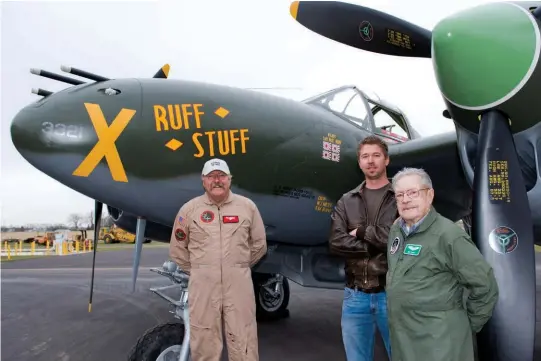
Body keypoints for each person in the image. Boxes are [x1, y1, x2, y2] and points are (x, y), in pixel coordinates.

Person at [386, 167, 499, 361]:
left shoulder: (449, 236)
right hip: (404, 338)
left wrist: (464, 325)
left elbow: (485, 286)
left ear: (429, 195)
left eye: (413, 193)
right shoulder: (397, 230)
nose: (405, 200)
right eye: (400, 195)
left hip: (440, 342)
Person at [169, 158, 268, 361]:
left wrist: (237, 265)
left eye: (222, 176)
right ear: (203, 181)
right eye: (211, 176)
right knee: (204, 343)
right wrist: (201, 269)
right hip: (203, 287)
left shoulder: (247, 208)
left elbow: (259, 245)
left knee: (244, 341)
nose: (217, 181)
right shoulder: (189, 210)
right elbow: (178, 250)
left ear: (230, 179)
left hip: (238, 285)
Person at [329, 135, 397, 361]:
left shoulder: (400, 196)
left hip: (393, 294)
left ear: (386, 160)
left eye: (376, 155)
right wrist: (377, 245)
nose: (371, 161)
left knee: (402, 355)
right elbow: (336, 242)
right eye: (365, 156)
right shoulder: (346, 200)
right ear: (359, 162)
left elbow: (399, 239)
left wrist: (359, 232)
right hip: (355, 296)